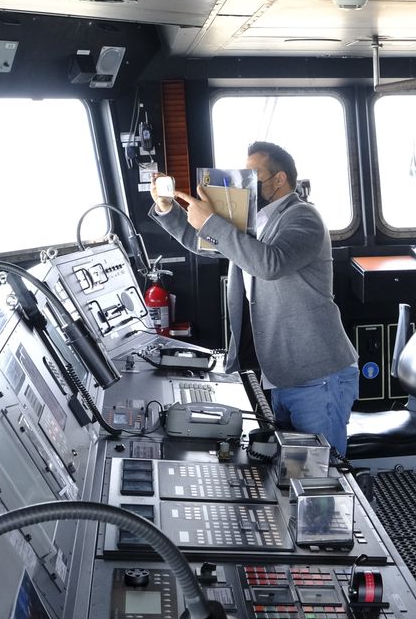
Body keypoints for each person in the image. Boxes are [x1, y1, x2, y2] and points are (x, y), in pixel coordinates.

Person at [151, 141, 360, 454]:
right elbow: (206, 242)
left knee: (323, 473)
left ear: (279, 180)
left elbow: (269, 263)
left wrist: (212, 222)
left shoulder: (304, 217)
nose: (247, 183)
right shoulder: (255, 223)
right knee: (292, 467)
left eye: (255, 175)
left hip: (317, 375)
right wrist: (168, 208)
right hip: (281, 373)